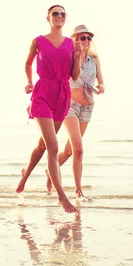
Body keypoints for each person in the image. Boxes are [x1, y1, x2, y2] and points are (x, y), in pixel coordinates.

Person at [17, 5, 82, 213]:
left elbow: (75, 76)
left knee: (44, 145)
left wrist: (79, 57)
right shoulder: (38, 41)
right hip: (43, 92)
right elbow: (27, 64)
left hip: (62, 95)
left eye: (63, 14)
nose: (60, 17)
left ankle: (25, 175)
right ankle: (62, 197)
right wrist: (28, 81)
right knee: (53, 146)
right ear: (48, 18)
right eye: (56, 13)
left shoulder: (71, 44)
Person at [46, 25, 105, 198]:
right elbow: (58, 79)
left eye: (87, 38)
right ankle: (78, 191)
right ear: (74, 40)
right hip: (69, 105)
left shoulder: (94, 59)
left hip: (88, 107)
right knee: (78, 148)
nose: (85, 41)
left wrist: (101, 85)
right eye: (81, 38)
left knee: (70, 150)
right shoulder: (67, 57)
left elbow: (100, 78)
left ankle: (50, 171)